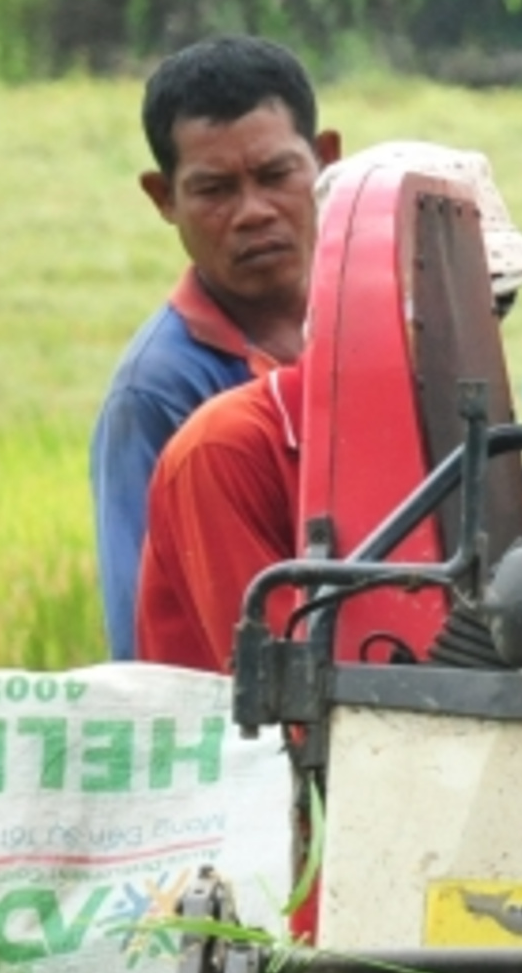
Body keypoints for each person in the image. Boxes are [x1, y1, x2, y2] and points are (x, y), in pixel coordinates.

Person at [132, 148, 522, 673]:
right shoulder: (227, 448)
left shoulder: (474, 450)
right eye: (458, 305)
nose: (479, 330)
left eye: (498, 304)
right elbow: (285, 692)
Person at [92, 38, 338, 661]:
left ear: (327, 162)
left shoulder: (377, 336)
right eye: (214, 190)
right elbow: (145, 641)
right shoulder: (158, 390)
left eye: (277, 176)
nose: (253, 212)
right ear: (163, 198)